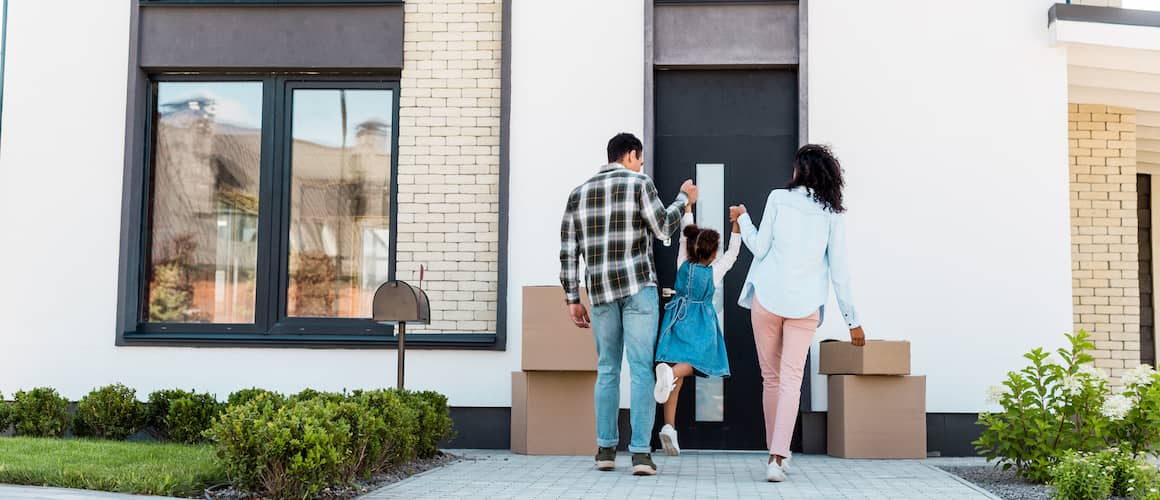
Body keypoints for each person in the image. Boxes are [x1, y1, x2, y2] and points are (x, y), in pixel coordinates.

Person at [560, 132, 697, 476]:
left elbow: (567, 252)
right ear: (632, 155)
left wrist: (573, 298)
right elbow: (663, 226)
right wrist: (684, 199)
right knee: (639, 370)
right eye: (640, 159)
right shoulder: (640, 183)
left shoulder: (578, 194)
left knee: (607, 369)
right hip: (638, 288)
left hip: (601, 291)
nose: (641, 164)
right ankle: (639, 455)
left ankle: (605, 450)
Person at [730, 144, 866, 483]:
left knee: (771, 378)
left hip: (768, 297)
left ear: (800, 171)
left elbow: (759, 248)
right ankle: (779, 455)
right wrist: (853, 322)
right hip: (804, 305)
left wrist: (743, 218)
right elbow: (840, 272)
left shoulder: (778, 198)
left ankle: (775, 456)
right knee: (791, 379)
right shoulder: (832, 215)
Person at [651, 203, 741, 457]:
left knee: (673, 382)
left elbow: (682, 236)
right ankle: (670, 373)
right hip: (700, 324)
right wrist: (736, 223)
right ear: (713, 255)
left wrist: (688, 208)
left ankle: (669, 426)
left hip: (675, 318)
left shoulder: (682, 263)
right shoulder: (714, 271)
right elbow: (733, 253)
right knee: (699, 363)